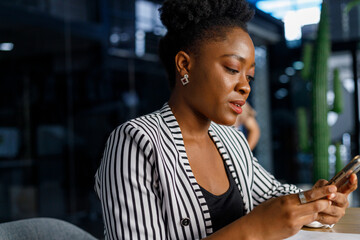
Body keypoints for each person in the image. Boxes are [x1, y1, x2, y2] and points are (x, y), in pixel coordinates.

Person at [94, 0, 358, 239]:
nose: (245, 87)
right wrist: (252, 230)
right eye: (233, 69)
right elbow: (262, 223)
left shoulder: (230, 138)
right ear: (185, 65)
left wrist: (318, 201)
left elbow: (273, 195)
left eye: (249, 76)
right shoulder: (135, 142)